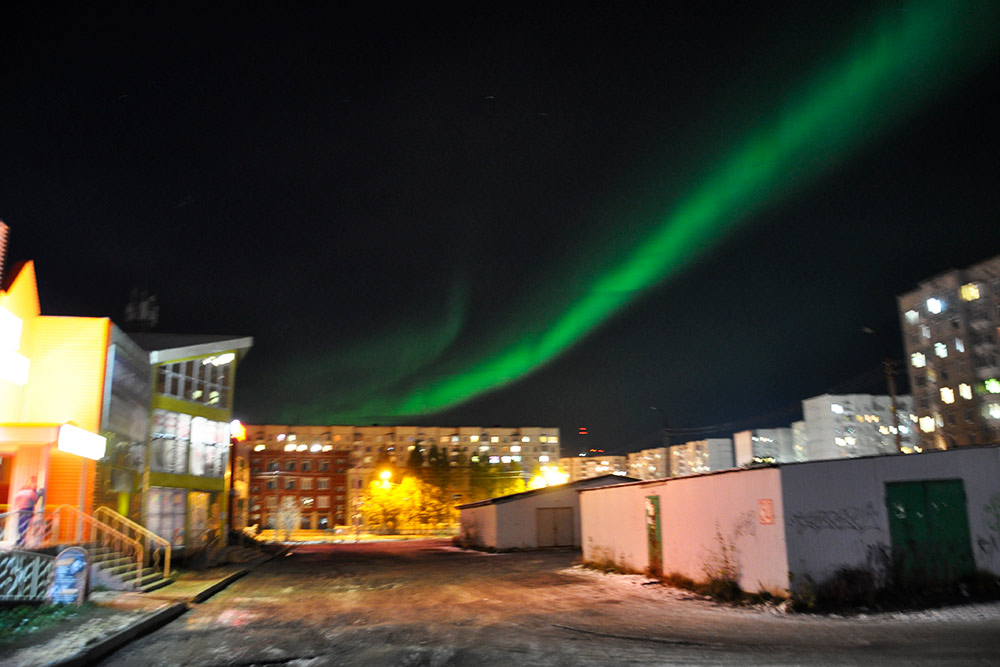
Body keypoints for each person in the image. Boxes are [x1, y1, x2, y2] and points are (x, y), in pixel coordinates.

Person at [13, 476, 41, 547]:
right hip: (28, 509)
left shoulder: (21, 491)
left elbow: (16, 500)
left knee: (21, 525)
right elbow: (35, 500)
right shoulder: (31, 491)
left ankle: (21, 540)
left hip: (21, 509)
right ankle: (23, 540)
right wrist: (38, 494)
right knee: (26, 525)